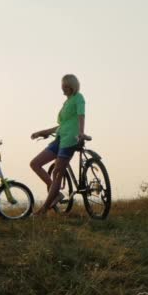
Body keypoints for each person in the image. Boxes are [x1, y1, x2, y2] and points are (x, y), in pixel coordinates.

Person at [30, 74, 89, 216]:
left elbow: (81, 115)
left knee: (57, 173)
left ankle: (44, 209)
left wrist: (81, 132)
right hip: (60, 138)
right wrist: (43, 132)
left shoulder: (78, 98)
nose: (63, 88)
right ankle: (55, 193)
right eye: (62, 85)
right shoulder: (66, 102)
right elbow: (62, 125)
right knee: (35, 163)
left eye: (66, 85)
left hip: (70, 140)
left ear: (72, 86)